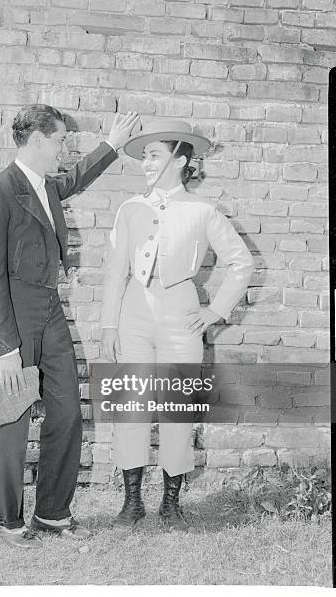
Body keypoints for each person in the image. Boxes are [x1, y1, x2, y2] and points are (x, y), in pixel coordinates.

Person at [0, 104, 139, 548]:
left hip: (50, 311)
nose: (64, 148)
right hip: (15, 320)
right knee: (11, 418)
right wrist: (6, 346)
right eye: (60, 140)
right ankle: (7, 521)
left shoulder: (46, 186)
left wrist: (112, 146)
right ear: (38, 140)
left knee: (66, 411)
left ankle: (52, 513)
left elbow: (77, 178)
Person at [100, 119, 254, 532]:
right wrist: (109, 326)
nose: (146, 163)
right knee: (130, 406)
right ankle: (131, 502)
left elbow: (241, 264)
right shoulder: (130, 208)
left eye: (154, 155)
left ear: (179, 159)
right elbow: (115, 271)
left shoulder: (202, 210)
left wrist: (215, 311)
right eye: (144, 156)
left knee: (177, 408)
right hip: (133, 312)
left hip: (181, 313)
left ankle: (171, 502)